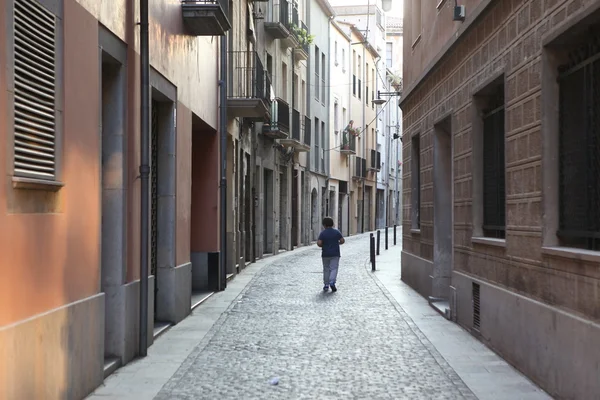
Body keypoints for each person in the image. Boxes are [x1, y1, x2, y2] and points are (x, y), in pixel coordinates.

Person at [317, 217, 345, 292]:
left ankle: (326, 284)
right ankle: (332, 281)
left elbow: (319, 243)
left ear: (324, 225)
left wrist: (323, 245)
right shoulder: (336, 232)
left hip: (325, 253)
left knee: (326, 269)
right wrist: (337, 243)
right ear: (332, 224)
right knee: (334, 268)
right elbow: (342, 240)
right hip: (335, 253)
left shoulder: (323, 233)